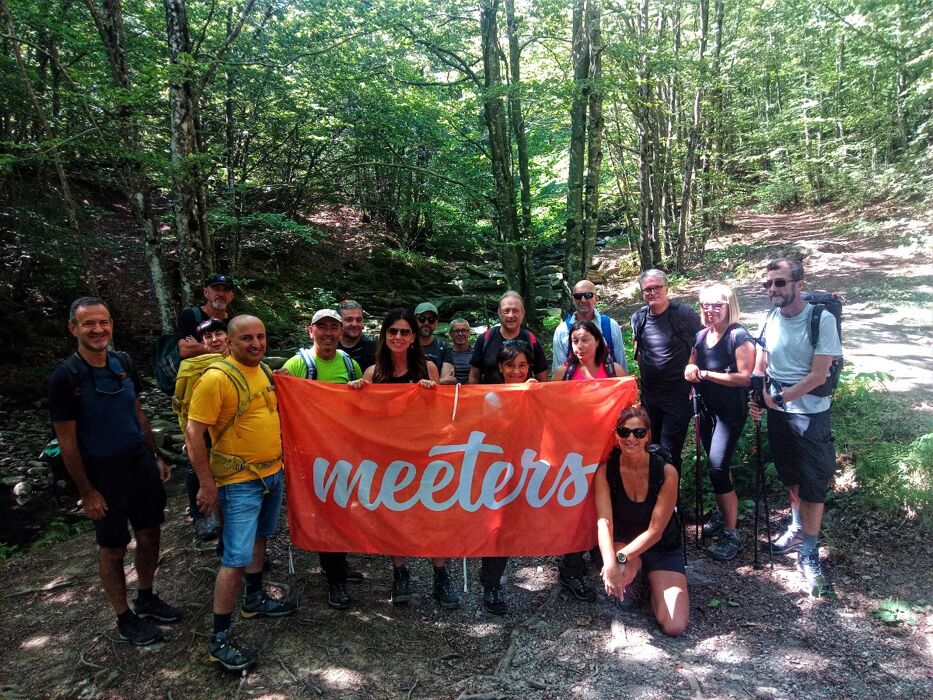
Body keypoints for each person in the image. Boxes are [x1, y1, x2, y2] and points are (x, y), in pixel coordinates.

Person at [49, 297, 182, 646]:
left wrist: (155, 455)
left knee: (150, 531)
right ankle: (124, 617)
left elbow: (137, 412)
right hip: (102, 471)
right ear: (73, 328)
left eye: (103, 322)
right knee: (113, 547)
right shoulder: (66, 376)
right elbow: (67, 442)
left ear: (111, 325)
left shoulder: (122, 362)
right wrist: (87, 491)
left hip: (138, 460)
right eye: (89, 324)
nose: (98, 330)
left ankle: (147, 597)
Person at [185, 315, 295, 671]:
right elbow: (193, 433)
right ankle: (219, 638)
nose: (256, 344)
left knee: (261, 539)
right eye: (247, 338)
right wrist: (205, 483)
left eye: (261, 337)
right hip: (238, 482)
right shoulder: (216, 379)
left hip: (271, 473)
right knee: (234, 557)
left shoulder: (263, 370)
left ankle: (255, 597)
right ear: (229, 342)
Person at [348, 308, 460, 609]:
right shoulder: (373, 373)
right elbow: (363, 421)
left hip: (424, 456)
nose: (399, 337)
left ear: (413, 338)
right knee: (396, 517)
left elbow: (442, 419)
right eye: (393, 332)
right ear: (385, 336)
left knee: (434, 516)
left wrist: (431, 394)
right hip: (388, 460)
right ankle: (400, 573)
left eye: (405, 332)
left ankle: (441, 576)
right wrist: (357, 392)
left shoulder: (429, 370)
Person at [750, 258, 842, 597]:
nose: (773, 290)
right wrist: (760, 395)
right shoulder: (769, 318)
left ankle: (809, 551)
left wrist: (781, 397)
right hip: (778, 410)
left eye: (780, 283)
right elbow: (762, 362)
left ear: (799, 284)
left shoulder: (822, 319)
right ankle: (796, 528)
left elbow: (819, 374)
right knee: (790, 475)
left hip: (810, 412)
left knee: (813, 481)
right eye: (768, 284)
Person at [279, 309, 363, 609]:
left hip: (344, 452)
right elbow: (281, 402)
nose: (328, 333)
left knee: (345, 510)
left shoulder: (350, 365)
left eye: (333, 327)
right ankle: (335, 579)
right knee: (327, 514)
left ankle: (340, 565)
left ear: (341, 332)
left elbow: (362, 408)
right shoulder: (299, 365)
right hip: (313, 455)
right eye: (322, 327)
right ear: (310, 331)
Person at [595, 405, 688, 636]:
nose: (631, 439)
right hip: (624, 540)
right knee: (621, 571)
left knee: (674, 626)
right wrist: (610, 563)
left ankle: (648, 580)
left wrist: (619, 558)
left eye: (638, 433)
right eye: (624, 432)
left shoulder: (666, 472)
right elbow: (604, 522)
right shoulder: (606, 471)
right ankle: (634, 578)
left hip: (661, 546)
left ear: (647, 435)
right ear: (616, 435)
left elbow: (656, 531)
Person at [683, 284, 755, 561]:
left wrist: (706, 374)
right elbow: (691, 365)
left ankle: (732, 533)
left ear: (729, 306)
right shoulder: (701, 335)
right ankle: (722, 514)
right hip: (706, 410)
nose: (710, 310)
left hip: (730, 412)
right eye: (705, 305)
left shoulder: (738, 336)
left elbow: (744, 377)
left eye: (716, 305)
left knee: (716, 465)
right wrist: (691, 370)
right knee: (718, 467)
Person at [476, 341, 540, 614]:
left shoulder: (537, 392)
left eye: (522, 365)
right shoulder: (492, 396)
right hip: (498, 471)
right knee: (500, 525)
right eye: (511, 365)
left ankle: (571, 571)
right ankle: (490, 583)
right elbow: (505, 428)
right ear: (501, 368)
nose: (517, 371)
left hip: (529, 467)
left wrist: (537, 397)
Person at [630, 270, 703, 470]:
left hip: (677, 396)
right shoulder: (639, 318)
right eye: (647, 289)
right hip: (650, 397)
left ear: (666, 288)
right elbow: (640, 351)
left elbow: (702, 344)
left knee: (669, 451)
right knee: (650, 448)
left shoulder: (684, 316)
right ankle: (655, 496)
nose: (652, 292)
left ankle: (672, 500)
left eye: (657, 287)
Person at [182, 317, 229, 542]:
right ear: (203, 342)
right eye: (209, 337)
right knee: (208, 478)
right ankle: (210, 523)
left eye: (218, 334)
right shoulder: (194, 369)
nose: (214, 339)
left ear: (228, 337)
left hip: (232, 436)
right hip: (206, 434)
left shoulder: (247, 363)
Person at [469, 291, 548, 384]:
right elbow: (474, 375)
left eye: (515, 311)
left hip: (523, 397)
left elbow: (542, 379)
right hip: (491, 397)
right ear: (499, 313)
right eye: (506, 311)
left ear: (522, 313)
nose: (510, 315)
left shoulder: (531, 341)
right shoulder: (485, 339)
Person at [552, 279, 628, 374]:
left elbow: (621, 362)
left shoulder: (610, 326)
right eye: (578, 296)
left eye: (588, 295)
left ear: (596, 298)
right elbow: (558, 370)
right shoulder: (562, 331)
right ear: (573, 299)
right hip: (575, 386)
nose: (583, 300)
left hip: (607, 387)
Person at [178, 274, 236, 361]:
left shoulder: (233, 322)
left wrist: (199, 347)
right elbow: (185, 351)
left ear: (231, 296)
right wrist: (224, 348)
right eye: (216, 289)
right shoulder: (191, 315)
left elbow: (239, 350)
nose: (221, 294)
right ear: (206, 293)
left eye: (226, 290)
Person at [552, 320, 627, 381]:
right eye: (575, 341)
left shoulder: (615, 371)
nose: (579, 346)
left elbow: (627, 397)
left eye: (585, 340)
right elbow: (551, 398)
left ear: (597, 342)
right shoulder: (562, 373)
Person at [414, 302, 456, 384]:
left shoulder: (443, 347)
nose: (426, 323)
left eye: (431, 319)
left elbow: (447, 381)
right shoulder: (407, 345)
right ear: (414, 321)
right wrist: (438, 381)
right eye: (422, 319)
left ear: (436, 323)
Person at [337, 300, 377, 372]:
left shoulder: (376, 350)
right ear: (338, 322)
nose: (355, 324)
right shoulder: (331, 348)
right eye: (349, 320)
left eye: (358, 320)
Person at [449, 318, 474, 383]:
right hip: (451, 390)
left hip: (472, 389)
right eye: (457, 331)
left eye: (464, 330)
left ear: (469, 333)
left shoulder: (475, 352)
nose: (460, 334)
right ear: (450, 334)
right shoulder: (446, 354)